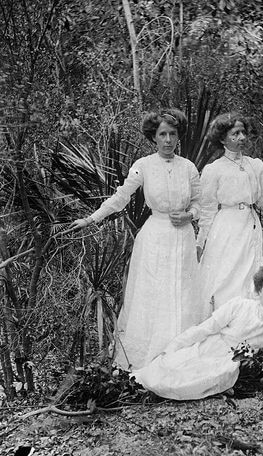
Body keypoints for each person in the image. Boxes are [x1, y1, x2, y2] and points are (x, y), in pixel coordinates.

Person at [71, 109, 201, 370]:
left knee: (182, 292)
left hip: (183, 237)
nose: (167, 140)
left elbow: (201, 203)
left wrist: (190, 215)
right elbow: (121, 197)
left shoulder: (188, 168)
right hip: (155, 237)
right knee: (155, 294)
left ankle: (182, 354)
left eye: (172, 134)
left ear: (179, 136)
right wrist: (91, 219)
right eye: (162, 134)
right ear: (153, 137)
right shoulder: (143, 165)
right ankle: (151, 357)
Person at [133, 265, 263, 401]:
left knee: (203, 380)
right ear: (260, 290)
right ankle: (150, 388)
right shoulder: (239, 306)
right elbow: (206, 328)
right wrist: (175, 346)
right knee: (173, 366)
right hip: (211, 347)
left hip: (232, 361)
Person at [197, 112, 263, 321]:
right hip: (225, 228)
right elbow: (206, 211)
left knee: (251, 275)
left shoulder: (255, 165)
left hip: (250, 227)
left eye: (243, 132)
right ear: (222, 138)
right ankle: (224, 325)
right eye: (235, 133)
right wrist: (200, 243)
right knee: (226, 276)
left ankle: (247, 328)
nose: (241, 137)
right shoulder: (213, 170)